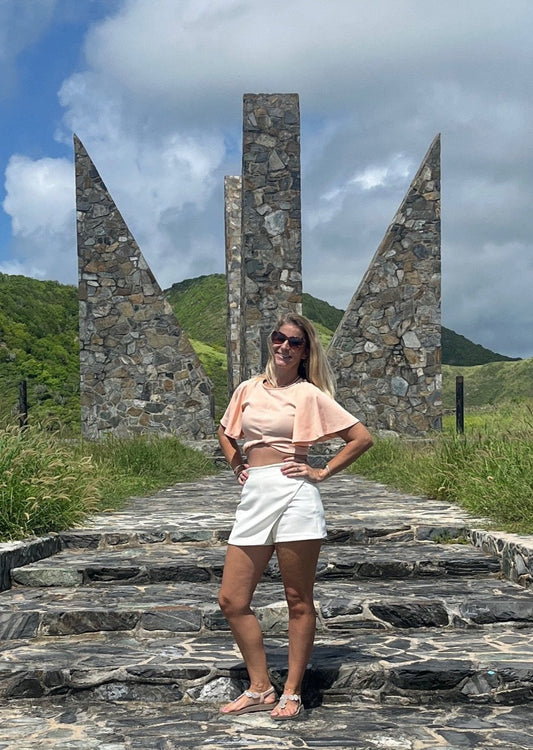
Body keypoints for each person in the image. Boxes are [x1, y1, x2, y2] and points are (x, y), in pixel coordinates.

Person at [217, 313, 373, 720]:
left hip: (295, 493)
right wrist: (237, 465)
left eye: (295, 342)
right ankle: (259, 686)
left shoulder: (309, 394)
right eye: (279, 338)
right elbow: (225, 430)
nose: (284, 346)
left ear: (306, 352)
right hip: (255, 493)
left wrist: (321, 471)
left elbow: (361, 438)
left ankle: (291, 691)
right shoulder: (248, 388)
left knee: (297, 600)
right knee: (232, 600)